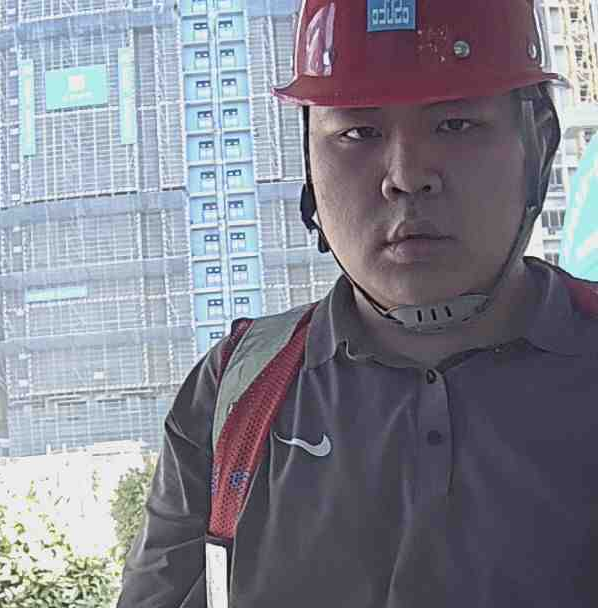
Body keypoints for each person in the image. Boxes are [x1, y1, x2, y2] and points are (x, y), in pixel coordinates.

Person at [117, 1, 598, 606]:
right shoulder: (235, 390)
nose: (407, 176)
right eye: (358, 133)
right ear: (309, 165)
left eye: (456, 124)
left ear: (539, 145)